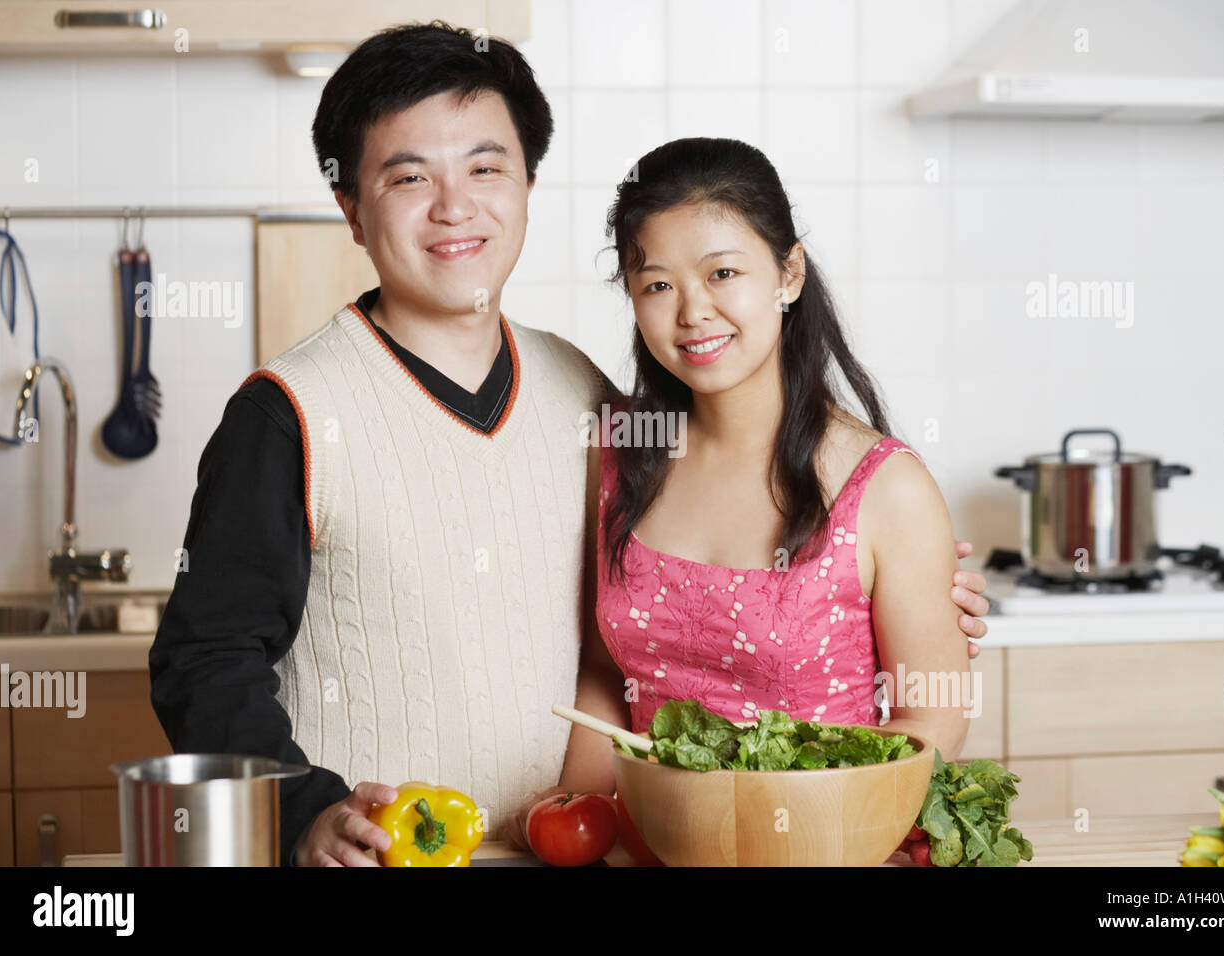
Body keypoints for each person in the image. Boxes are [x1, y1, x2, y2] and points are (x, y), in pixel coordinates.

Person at [149, 22, 990, 868]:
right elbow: (204, 658)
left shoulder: (593, 404)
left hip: (557, 853)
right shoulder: (287, 413)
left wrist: (914, 579)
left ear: (526, 185)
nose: (454, 206)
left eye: (484, 169)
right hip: (389, 857)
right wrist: (305, 813)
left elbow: (734, 567)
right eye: (409, 177)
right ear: (352, 210)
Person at [503, 138, 975, 847]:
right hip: (651, 847)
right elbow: (608, 672)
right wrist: (582, 820)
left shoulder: (885, 488)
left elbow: (930, 721)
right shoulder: (622, 451)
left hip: (826, 851)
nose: (693, 312)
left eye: (723, 272)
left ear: (788, 273)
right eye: (657, 285)